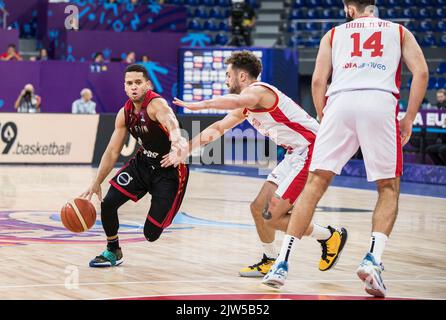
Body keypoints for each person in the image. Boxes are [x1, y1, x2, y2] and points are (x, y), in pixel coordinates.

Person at [262, 0, 429, 298]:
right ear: (373, 6)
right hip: (379, 102)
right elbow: (422, 73)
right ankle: (373, 260)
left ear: (350, 8)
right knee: (388, 187)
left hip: (340, 101)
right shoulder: (399, 31)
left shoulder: (334, 34)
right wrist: (409, 117)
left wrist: (324, 114)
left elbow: (317, 81)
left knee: (315, 185)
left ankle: (282, 264)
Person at [161, 50, 348, 277]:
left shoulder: (259, 92)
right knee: (258, 208)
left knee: (274, 215)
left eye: (229, 75)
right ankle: (269, 259)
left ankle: (328, 236)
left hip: (312, 150)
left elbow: (238, 100)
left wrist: (200, 105)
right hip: (295, 153)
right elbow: (219, 128)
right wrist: (185, 150)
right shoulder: (247, 106)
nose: (226, 80)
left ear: (242, 77)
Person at [80, 64, 189, 267]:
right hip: (144, 163)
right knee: (108, 203)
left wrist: (176, 142)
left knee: (151, 234)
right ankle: (113, 250)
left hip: (170, 169)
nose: (134, 87)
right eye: (129, 83)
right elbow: (112, 151)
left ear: (148, 85)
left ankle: (160, 208)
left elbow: (171, 121)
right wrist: (97, 182)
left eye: (138, 82)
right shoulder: (125, 113)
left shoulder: (156, 105)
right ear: (124, 86)